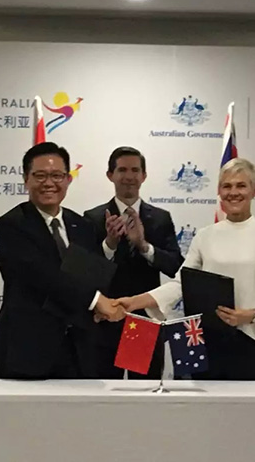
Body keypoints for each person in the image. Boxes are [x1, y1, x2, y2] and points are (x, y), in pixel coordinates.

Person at [117, 158, 255, 381]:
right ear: (219, 191)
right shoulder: (205, 236)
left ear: (254, 191)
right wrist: (134, 302)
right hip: (203, 340)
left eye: (241, 186)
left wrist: (249, 315)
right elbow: (180, 284)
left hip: (248, 342)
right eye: (227, 186)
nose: (233, 192)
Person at [0, 142, 124, 380]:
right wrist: (96, 300)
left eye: (57, 176)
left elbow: (88, 272)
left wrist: (110, 247)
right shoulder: (12, 225)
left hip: (80, 351)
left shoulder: (82, 225)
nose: (49, 183)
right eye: (40, 176)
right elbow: (44, 276)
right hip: (29, 351)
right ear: (26, 179)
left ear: (68, 179)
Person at [84, 147, 183, 379]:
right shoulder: (93, 218)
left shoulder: (160, 218)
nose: (129, 176)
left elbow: (174, 266)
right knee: (105, 393)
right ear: (110, 175)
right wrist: (109, 244)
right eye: (122, 170)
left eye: (135, 170)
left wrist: (144, 246)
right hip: (105, 321)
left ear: (144, 176)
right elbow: (86, 273)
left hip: (144, 321)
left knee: (144, 393)